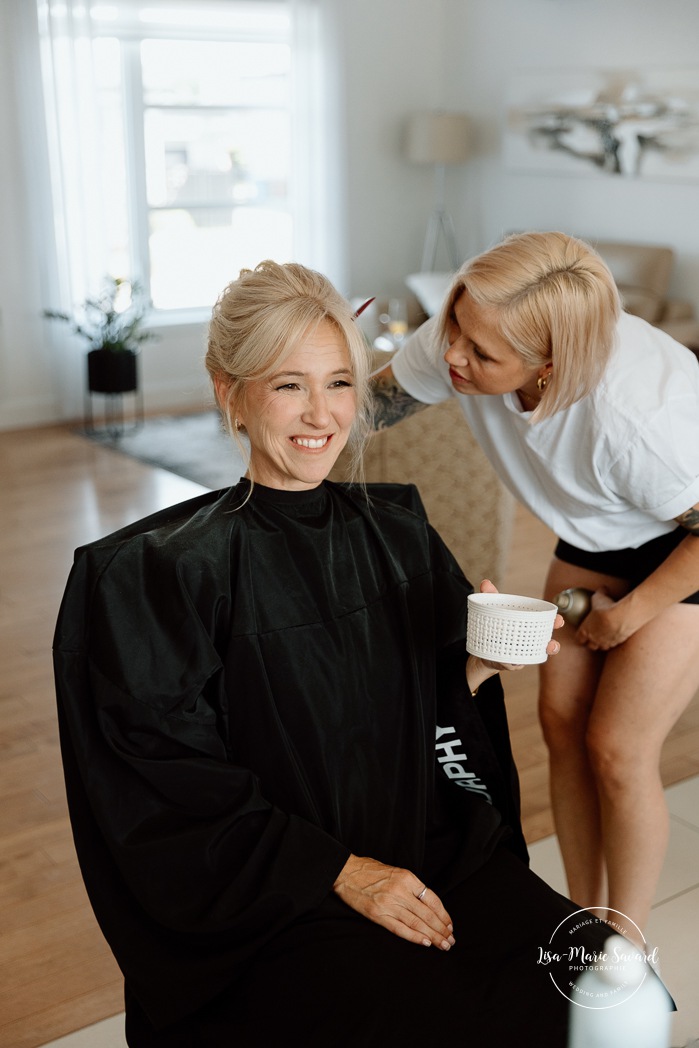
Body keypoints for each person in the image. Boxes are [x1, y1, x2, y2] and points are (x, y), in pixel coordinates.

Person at [54, 259, 630, 1048]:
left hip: (426, 848)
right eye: (288, 384)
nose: (320, 414)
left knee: (610, 983)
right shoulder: (157, 573)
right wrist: (343, 870)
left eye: (339, 383)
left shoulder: (395, 533)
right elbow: (162, 781)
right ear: (231, 393)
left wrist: (478, 666)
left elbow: (421, 708)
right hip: (277, 889)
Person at [372, 230, 699, 939]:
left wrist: (631, 615)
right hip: (597, 528)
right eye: (454, 325)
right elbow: (370, 406)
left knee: (616, 745)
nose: (451, 352)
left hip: (686, 547)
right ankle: (584, 922)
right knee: (559, 721)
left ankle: (627, 948)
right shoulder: (468, 330)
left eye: (481, 354)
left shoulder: (635, 418)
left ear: (548, 364)